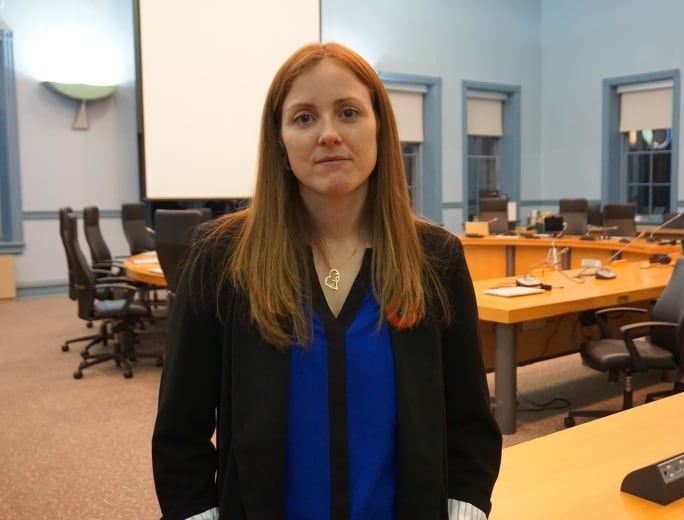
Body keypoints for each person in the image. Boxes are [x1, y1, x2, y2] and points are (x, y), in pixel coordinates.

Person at [151, 41, 502, 520]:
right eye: (303, 117)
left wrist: (465, 507)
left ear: (380, 128)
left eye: (349, 112)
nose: (329, 134)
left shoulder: (435, 259)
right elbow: (180, 429)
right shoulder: (220, 259)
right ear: (279, 140)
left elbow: (470, 422)